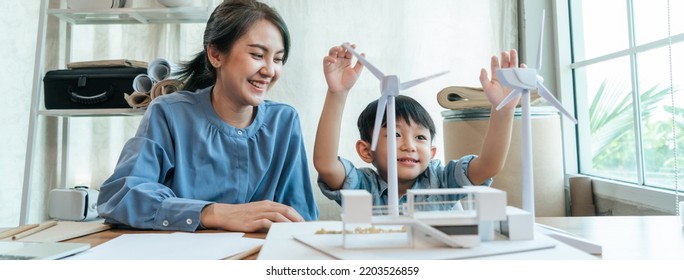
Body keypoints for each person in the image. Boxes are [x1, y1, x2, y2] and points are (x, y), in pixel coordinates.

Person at [97, 0, 318, 233]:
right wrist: (212, 212)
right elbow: (121, 197)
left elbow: (299, 215)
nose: (270, 71)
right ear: (215, 54)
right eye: (257, 55)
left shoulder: (284, 121)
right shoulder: (169, 113)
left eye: (277, 59)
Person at [314, 43, 520, 210]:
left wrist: (503, 109)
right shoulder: (362, 186)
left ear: (432, 152)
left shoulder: (442, 180)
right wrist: (337, 93)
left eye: (420, 137)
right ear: (366, 151)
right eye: (395, 134)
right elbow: (325, 165)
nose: (409, 146)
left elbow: (488, 166)